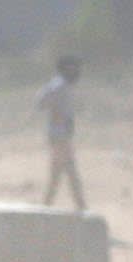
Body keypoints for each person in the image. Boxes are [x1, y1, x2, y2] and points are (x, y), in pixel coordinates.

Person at [38, 55, 86, 211]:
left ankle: (45, 207)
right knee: (70, 169)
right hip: (59, 135)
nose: (76, 72)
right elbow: (41, 102)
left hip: (61, 134)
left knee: (57, 172)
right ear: (65, 69)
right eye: (73, 68)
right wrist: (57, 115)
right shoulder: (59, 85)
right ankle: (82, 208)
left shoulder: (63, 85)